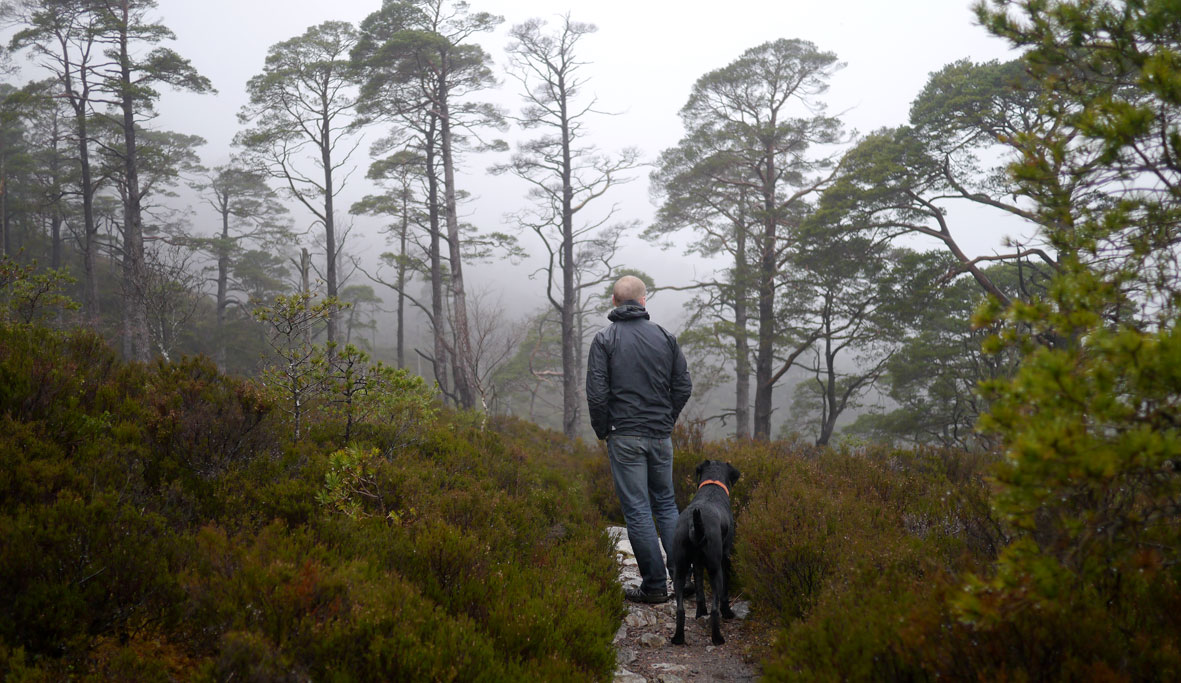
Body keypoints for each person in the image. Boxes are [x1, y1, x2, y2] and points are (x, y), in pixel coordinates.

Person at [586, 275, 692, 603]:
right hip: (659, 436)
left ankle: (655, 587)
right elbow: (683, 386)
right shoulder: (665, 337)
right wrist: (665, 421)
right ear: (643, 301)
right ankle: (684, 581)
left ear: (614, 301)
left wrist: (604, 430)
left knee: (638, 509)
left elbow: (597, 394)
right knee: (666, 503)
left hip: (624, 435)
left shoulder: (604, 339)